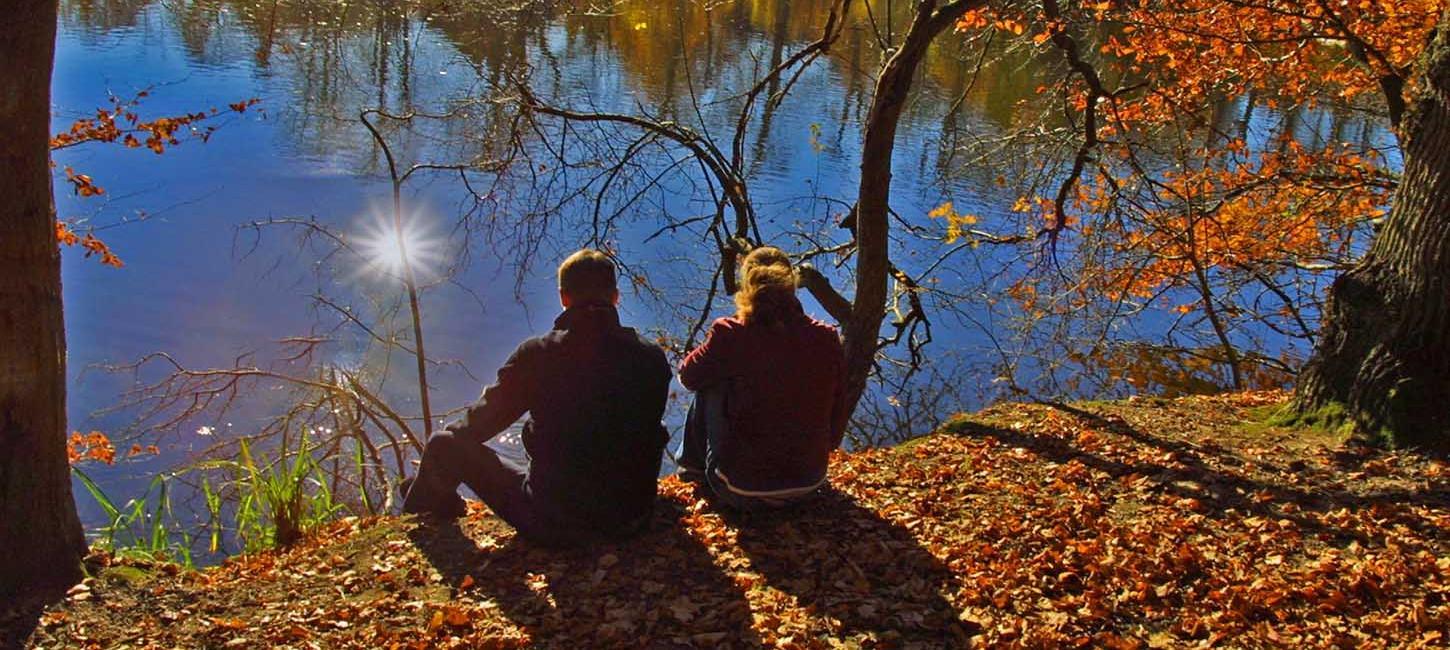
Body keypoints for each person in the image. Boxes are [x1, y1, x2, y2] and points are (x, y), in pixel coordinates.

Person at [403, 249, 673, 546]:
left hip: (556, 520)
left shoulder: (538, 355)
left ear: (564, 298)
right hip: (632, 515)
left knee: (443, 445)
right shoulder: (652, 357)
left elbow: (478, 425)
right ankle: (433, 495)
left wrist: (437, 465)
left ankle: (422, 517)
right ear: (615, 297)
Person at [677, 246, 847, 509]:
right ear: (791, 286)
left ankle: (691, 470)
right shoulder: (825, 337)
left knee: (708, 381)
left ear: (747, 286)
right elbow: (839, 401)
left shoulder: (730, 333)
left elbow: (687, 377)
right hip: (810, 481)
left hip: (740, 487)